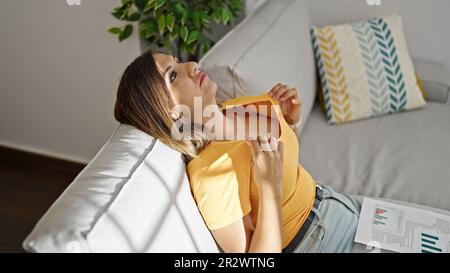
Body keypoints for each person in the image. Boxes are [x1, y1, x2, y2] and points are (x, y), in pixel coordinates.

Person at [113, 49, 390, 253]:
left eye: (177, 60)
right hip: (319, 241)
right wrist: (269, 189)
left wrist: (292, 121)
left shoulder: (242, 105)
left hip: (337, 202)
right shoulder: (211, 173)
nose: (192, 65)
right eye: (172, 76)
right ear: (168, 113)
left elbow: (285, 164)